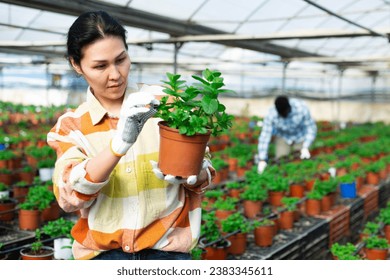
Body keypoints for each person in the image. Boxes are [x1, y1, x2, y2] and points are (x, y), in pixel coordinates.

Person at [47, 10, 214, 260]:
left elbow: (207, 170)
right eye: (100, 66)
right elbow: (70, 197)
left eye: (121, 59)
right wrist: (119, 145)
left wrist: (196, 173)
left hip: (167, 254)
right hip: (104, 258)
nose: (115, 74)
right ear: (76, 64)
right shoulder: (71, 126)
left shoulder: (165, 104)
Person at [257, 95, 317, 174]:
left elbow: (311, 128)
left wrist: (306, 146)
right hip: (283, 137)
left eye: (285, 113)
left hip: (300, 136)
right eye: (281, 114)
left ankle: (298, 176)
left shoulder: (301, 108)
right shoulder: (271, 114)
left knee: (300, 161)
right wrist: (262, 159)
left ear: (289, 108)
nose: (284, 116)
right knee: (281, 161)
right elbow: (265, 136)